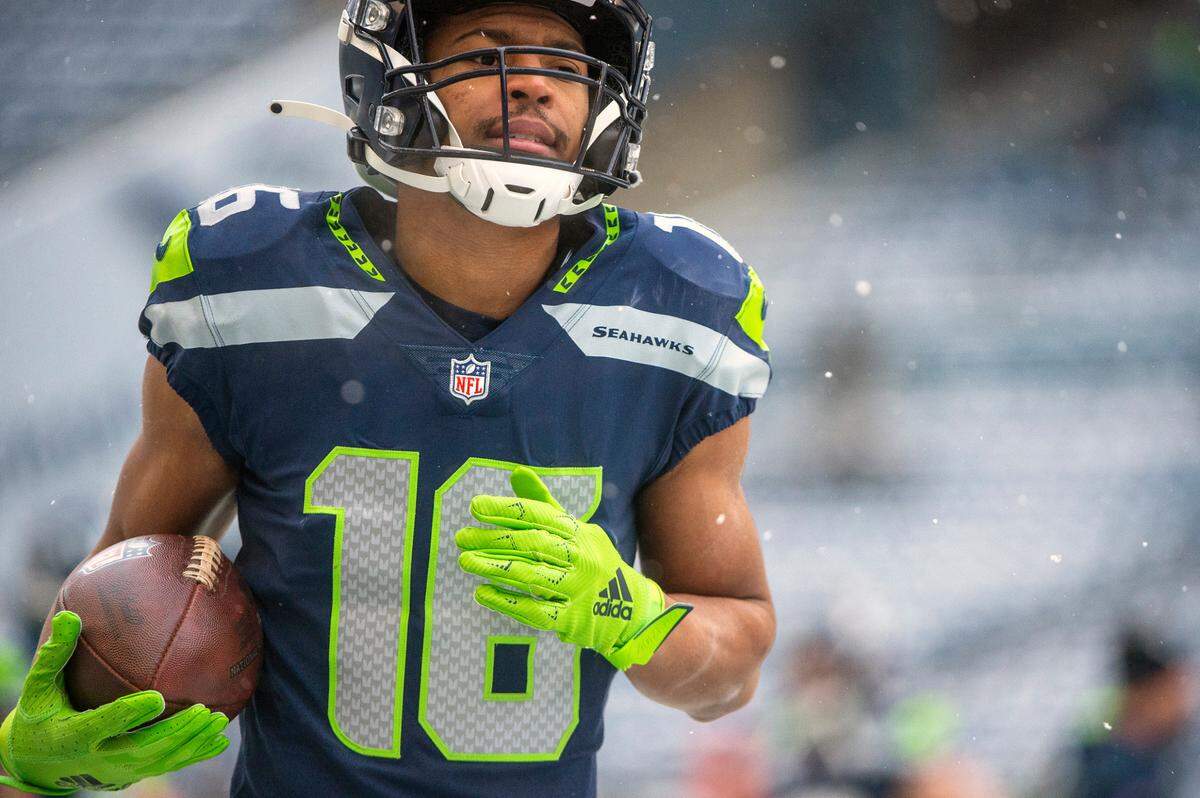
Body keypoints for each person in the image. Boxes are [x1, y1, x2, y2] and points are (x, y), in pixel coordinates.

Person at [0, 1, 775, 796]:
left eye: (565, 64)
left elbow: (731, 676)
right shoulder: (250, 285)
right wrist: (42, 759)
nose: (534, 84)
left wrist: (631, 616)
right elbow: (123, 590)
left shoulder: (676, 307)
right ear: (390, 75)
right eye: (486, 50)